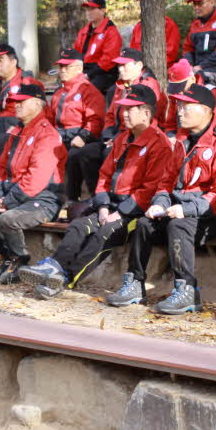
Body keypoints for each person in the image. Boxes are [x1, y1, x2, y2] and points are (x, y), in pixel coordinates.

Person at [17, 85, 175, 300]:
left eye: (130, 109)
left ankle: (65, 279)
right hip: (109, 204)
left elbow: (151, 188)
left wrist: (120, 213)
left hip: (134, 213)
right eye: (123, 109)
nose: (124, 113)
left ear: (146, 113)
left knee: (103, 235)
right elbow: (104, 175)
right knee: (78, 226)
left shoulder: (159, 144)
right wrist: (102, 206)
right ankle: (54, 266)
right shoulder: (121, 139)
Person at [114, 84, 216, 314]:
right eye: (179, 105)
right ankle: (134, 282)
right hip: (181, 206)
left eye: (186, 106)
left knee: (179, 224)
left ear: (205, 110)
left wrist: (186, 209)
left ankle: (187, 290)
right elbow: (166, 182)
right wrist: (159, 203)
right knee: (144, 224)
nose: (179, 111)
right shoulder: (181, 142)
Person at [0, 82, 68, 284]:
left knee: (8, 219)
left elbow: (37, 178)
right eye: (15, 101)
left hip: (44, 199)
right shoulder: (16, 132)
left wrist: (8, 202)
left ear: (39, 104)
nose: (17, 105)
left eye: (23, 101)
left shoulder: (47, 135)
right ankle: (6, 258)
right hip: (13, 196)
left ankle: (20, 259)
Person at [65, 48, 165, 212]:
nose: (120, 69)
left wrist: (120, 138)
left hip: (136, 139)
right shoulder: (121, 86)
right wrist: (108, 137)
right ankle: (90, 197)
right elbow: (110, 114)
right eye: (119, 66)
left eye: (125, 66)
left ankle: (113, 198)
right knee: (82, 153)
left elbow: (148, 121)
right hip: (116, 136)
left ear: (139, 65)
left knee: (108, 154)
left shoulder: (148, 86)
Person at [48, 48, 106, 201]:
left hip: (78, 135)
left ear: (79, 68)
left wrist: (83, 136)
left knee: (74, 155)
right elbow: (50, 118)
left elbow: (95, 120)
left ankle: (72, 199)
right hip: (58, 135)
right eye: (60, 67)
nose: (62, 70)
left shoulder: (88, 91)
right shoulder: (59, 92)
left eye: (67, 66)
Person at [0, 43, 34, 157]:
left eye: (0, 60)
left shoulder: (26, 83)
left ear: (13, 62)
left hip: (14, 134)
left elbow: (38, 113)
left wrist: (20, 128)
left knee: (4, 140)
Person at [161, 59, 216, 135]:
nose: (179, 92)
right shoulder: (177, 95)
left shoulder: (211, 93)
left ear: (192, 79)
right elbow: (170, 124)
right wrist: (170, 135)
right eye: (175, 88)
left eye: (181, 86)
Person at [74, 0, 125, 95]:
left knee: (86, 91)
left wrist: (88, 75)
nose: (88, 12)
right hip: (84, 70)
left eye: (92, 9)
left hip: (104, 73)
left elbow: (108, 60)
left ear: (103, 10)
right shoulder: (84, 31)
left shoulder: (111, 32)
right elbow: (76, 52)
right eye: (87, 9)